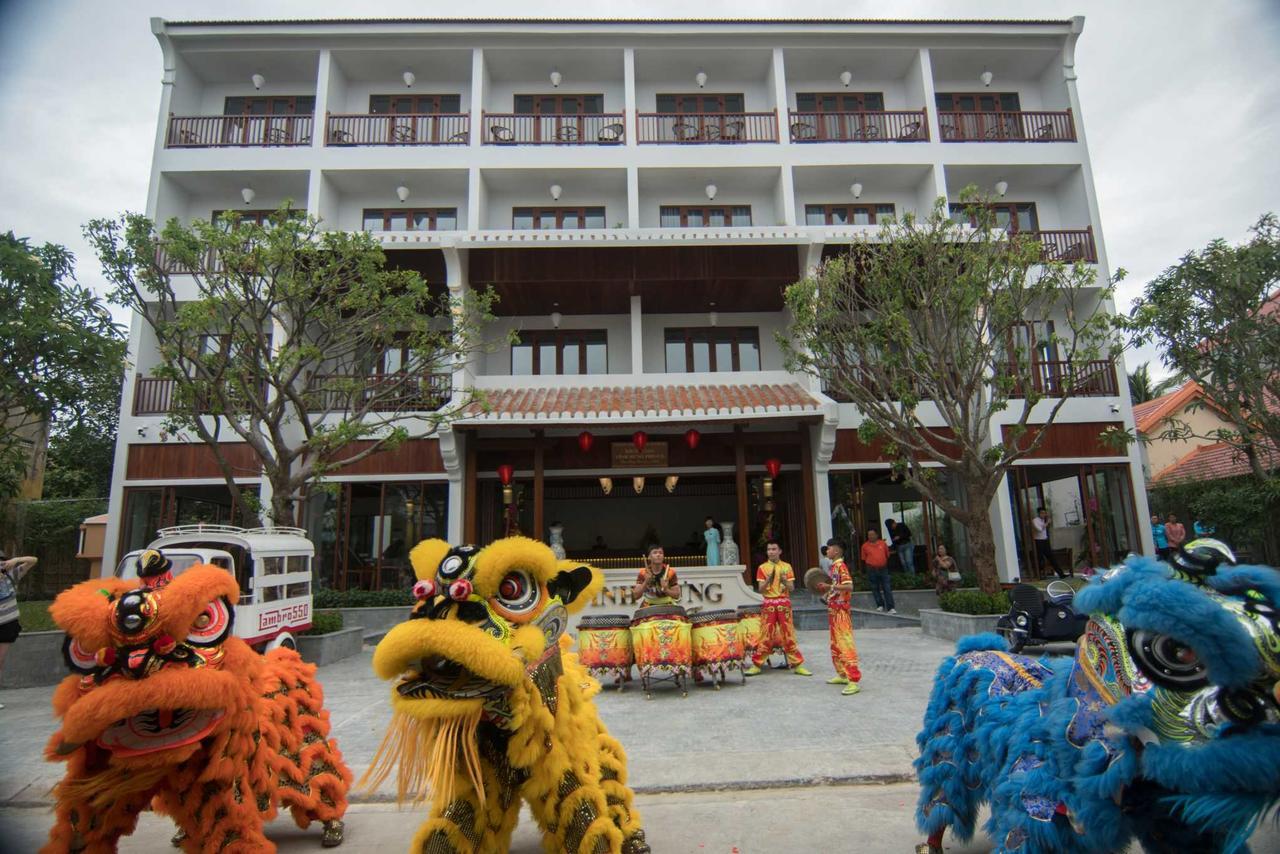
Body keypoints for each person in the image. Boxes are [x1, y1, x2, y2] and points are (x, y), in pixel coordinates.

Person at [743, 540, 810, 677]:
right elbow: (761, 590)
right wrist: (768, 580)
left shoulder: (787, 567)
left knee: (788, 634)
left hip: (784, 604)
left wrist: (785, 580)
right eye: (769, 549)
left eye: (774, 549)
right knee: (765, 635)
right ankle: (757, 664)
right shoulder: (762, 568)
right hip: (769, 604)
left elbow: (791, 588)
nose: (771, 552)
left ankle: (797, 664)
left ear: (780, 551)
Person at [814, 538, 862, 695]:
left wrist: (829, 586)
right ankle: (842, 674)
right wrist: (828, 592)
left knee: (845, 643)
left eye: (828, 549)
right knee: (836, 644)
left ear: (835, 551)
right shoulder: (834, 566)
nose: (826, 551)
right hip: (834, 610)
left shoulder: (841, 566)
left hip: (841, 611)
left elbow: (849, 586)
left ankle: (853, 680)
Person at [0, 550, 38, 705]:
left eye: (2, 564)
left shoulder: (11, 576)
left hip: (8, 623)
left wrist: (16, 560)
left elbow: (33, 559)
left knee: (0, 660)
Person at [860, 529, 896, 613]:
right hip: (871, 569)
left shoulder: (883, 544)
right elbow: (864, 559)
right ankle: (880, 605)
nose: (871, 536)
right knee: (875, 587)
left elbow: (887, 555)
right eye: (869, 535)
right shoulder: (865, 546)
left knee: (887, 587)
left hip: (883, 569)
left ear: (877, 535)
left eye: (872, 534)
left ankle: (891, 607)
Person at [1033, 507, 1067, 579]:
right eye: (1042, 513)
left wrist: (1047, 522)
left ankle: (1061, 574)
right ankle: (1040, 575)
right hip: (1038, 541)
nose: (1043, 515)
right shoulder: (1035, 520)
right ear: (1038, 513)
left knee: (1051, 557)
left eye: (1044, 513)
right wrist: (1047, 523)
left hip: (1045, 540)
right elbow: (1039, 530)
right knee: (1040, 558)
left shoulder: (1043, 521)